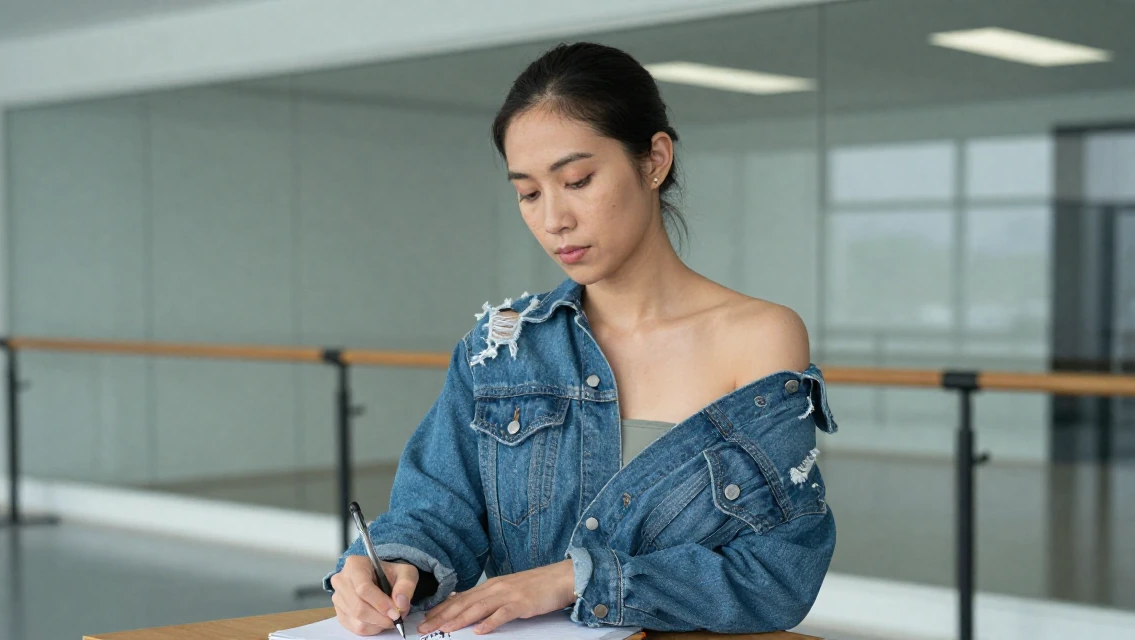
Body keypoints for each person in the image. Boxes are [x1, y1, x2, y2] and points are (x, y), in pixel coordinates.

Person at [324, 41, 838, 636]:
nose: (553, 220)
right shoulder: (504, 346)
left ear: (654, 160)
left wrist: (573, 579)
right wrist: (392, 563)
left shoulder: (760, 337)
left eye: (577, 180)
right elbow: (436, 510)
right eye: (529, 193)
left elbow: (776, 577)